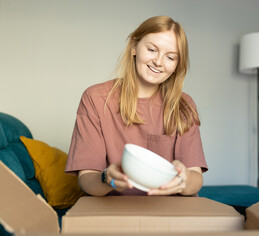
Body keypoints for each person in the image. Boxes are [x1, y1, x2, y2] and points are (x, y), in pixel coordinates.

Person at [65, 16, 208, 197]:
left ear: (176, 66)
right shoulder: (95, 99)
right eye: (151, 50)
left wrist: (184, 179)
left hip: (170, 212)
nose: (158, 62)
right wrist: (106, 177)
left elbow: (196, 178)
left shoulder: (184, 106)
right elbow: (87, 180)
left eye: (170, 57)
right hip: (113, 212)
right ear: (134, 47)